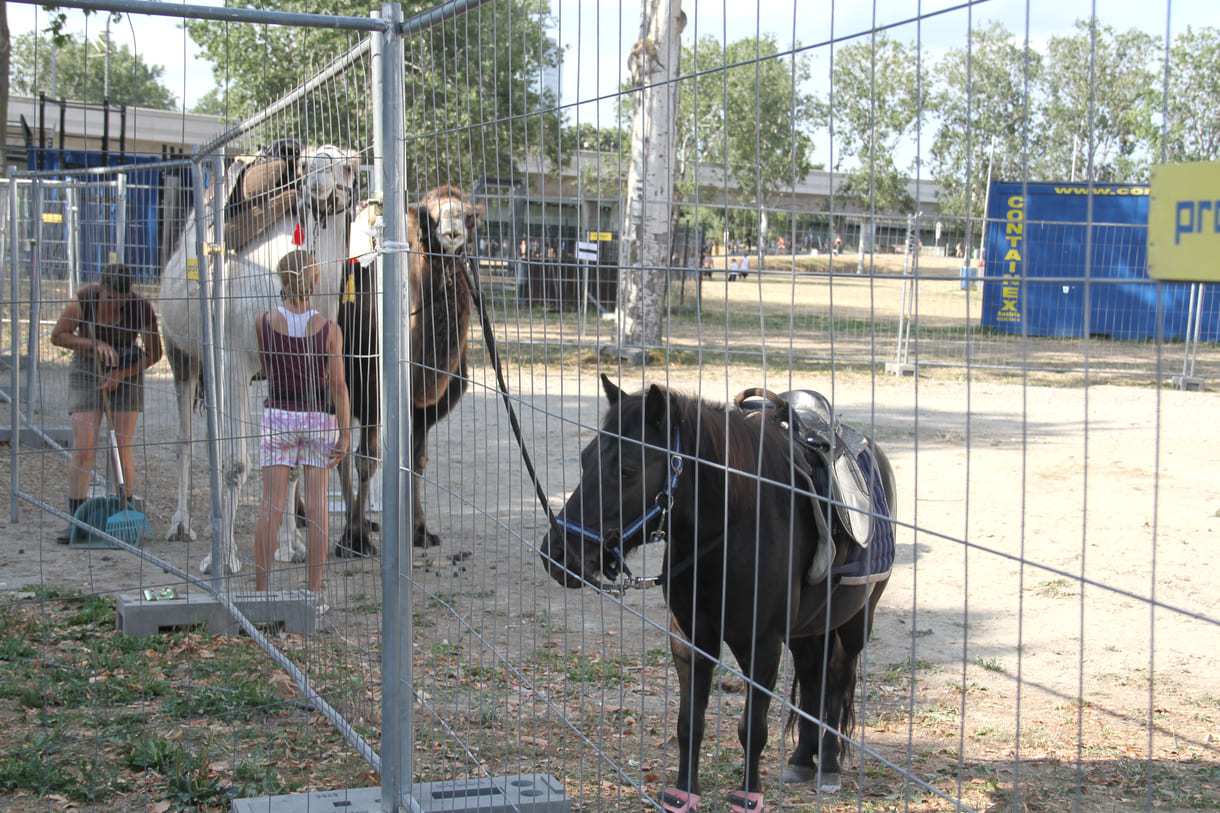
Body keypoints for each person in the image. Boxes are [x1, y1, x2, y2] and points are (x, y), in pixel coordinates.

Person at [254, 250, 350, 601]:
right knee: (317, 505)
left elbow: (267, 365)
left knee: (272, 504)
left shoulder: (263, 322)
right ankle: (313, 591)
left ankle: (262, 591)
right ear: (315, 280)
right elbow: (338, 386)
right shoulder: (329, 330)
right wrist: (345, 431)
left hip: (279, 413)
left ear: (280, 280)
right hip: (317, 416)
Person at [50, 263, 162, 544]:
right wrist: (93, 344)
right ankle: (77, 520)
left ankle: (126, 512)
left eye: (121, 300)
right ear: (101, 290)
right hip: (88, 368)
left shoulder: (141, 308)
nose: (115, 304)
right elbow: (58, 336)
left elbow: (155, 353)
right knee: (84, 447)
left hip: (127, 369)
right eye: (110, 298)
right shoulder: (83, 300)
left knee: (122, 448)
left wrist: (121, 374)